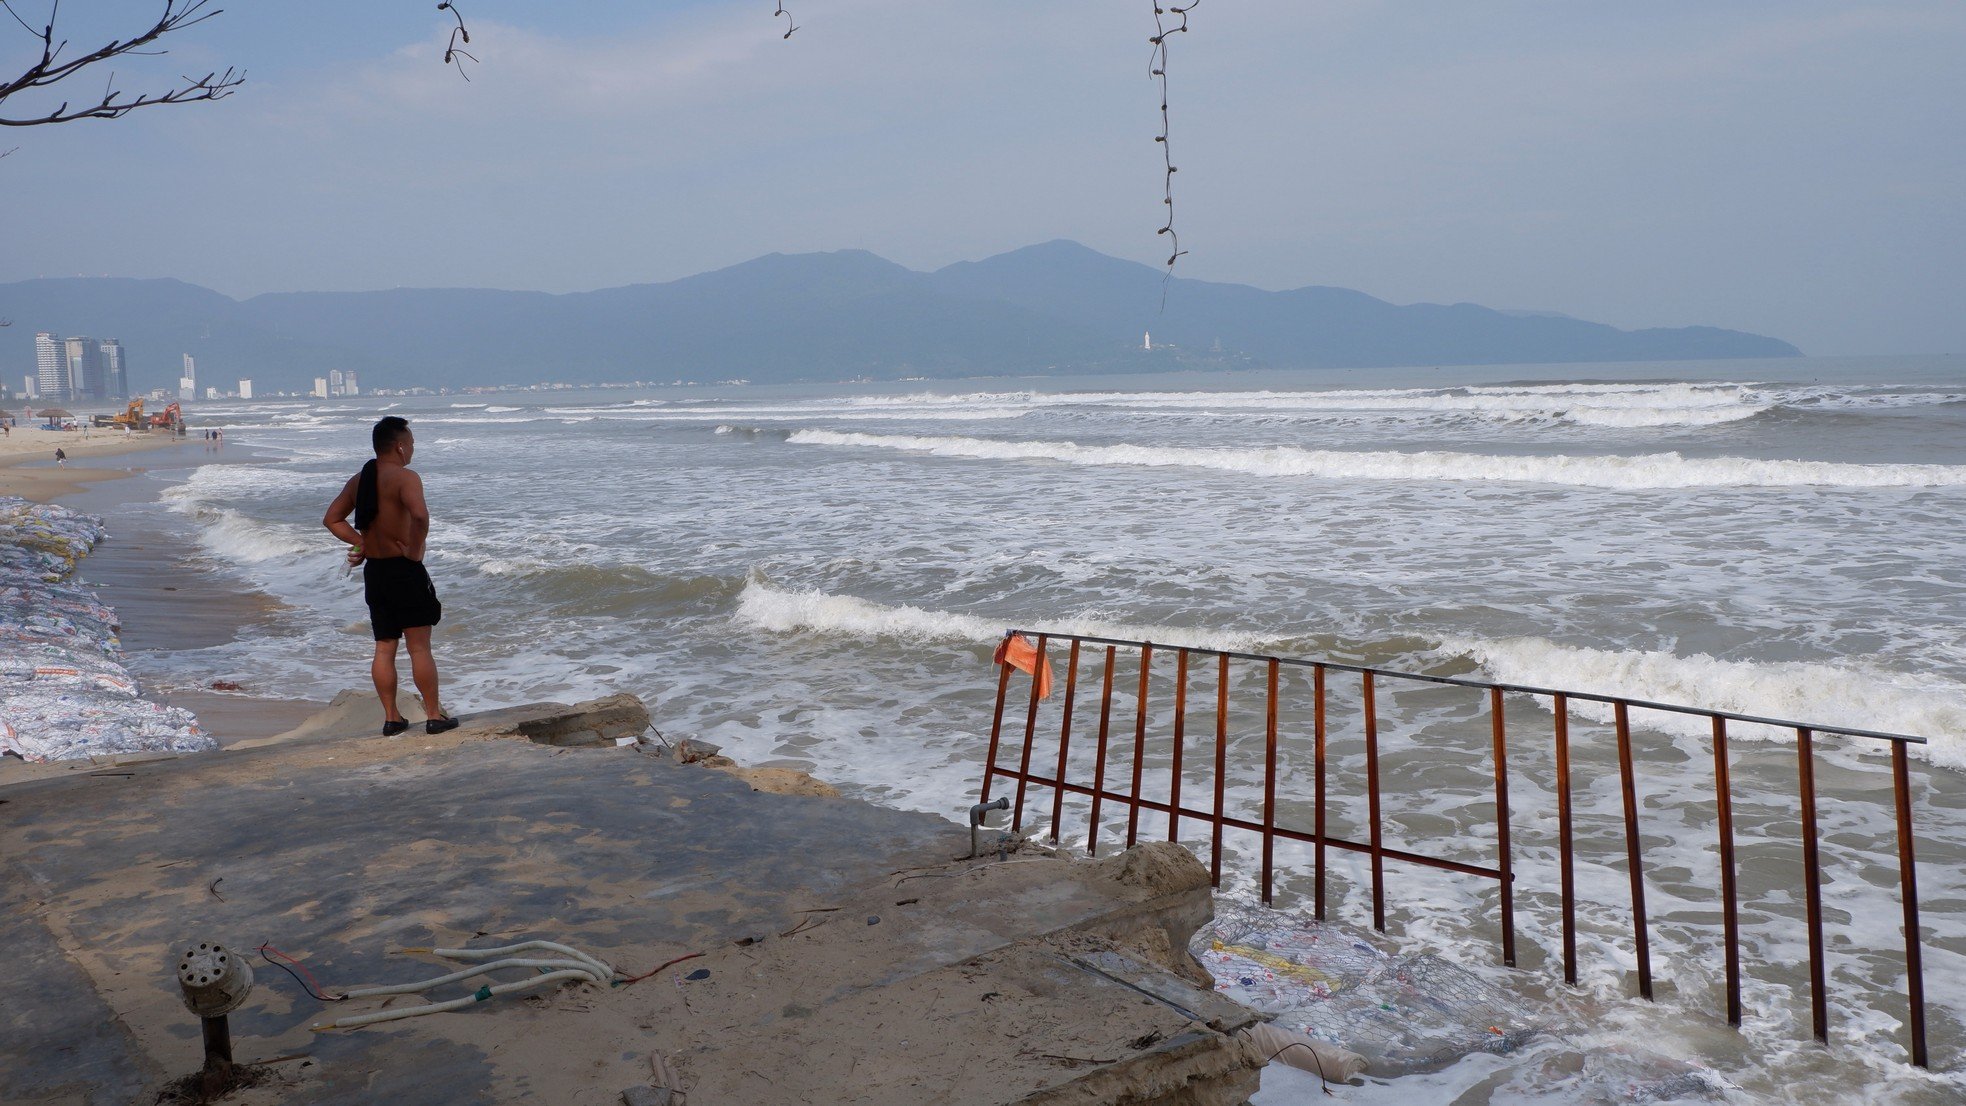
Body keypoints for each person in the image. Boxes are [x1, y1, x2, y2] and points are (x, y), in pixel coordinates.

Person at [322, 416, 459, 735]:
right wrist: (414, 548)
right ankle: (435, 716)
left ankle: (392, 718)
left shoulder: (360, 480)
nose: (412, 449)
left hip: (376, 573)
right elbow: (421, 515)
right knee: (420, 647)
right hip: (403, 570)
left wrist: (362, 542)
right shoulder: (405, 477)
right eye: (411, 443)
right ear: (399, 446)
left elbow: (332, 519)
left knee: (384, 647)